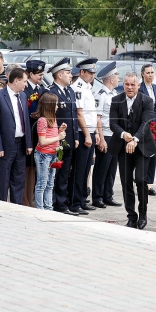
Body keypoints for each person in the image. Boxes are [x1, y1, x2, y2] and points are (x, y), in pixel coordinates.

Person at [109, 72, 156, 229]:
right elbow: (113, 124)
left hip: (142, 145)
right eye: (127, 84)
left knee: (141, 180)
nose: (129, 87)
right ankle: (131, 216)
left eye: (133, 84)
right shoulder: (116, 100)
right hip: (123, 146)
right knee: (126, 181)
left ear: (138, 85)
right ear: (123, 85)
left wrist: (134, 139)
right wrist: (124, 135)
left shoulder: (147, 101)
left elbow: (146, 123)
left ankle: (143, 213)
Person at [0, 67, 32, 204]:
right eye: (25, 81)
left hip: (21, 143)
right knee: (3, 178)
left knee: (19, 178)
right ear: (17, 80)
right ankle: (1, 206)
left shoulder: (23, 96)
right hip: (5, 145)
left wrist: (29, 143)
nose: (26, 85)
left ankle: (16, 207)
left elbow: (26, 120)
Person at [46, 59, 81, 214]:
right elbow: (49, 118)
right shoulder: (51, 92)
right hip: (56, 140)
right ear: (59, 75)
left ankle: (63, 202)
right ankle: (56, 203)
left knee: (65, 173)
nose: (70, 75)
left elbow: (73, 116)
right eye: (67, 73)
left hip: (69, 139)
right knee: (56, 173)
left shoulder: (70, 91)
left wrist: (75, 137)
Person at [68, 58, 99, 212]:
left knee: (86, 169)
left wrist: (95, 133)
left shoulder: (87, 87)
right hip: (82, 133)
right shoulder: (78, 88)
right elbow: (80, 114)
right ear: (82, 72)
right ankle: (74, 203)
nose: (92, 75)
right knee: (79, 170)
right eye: (89, 72)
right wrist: (87, 135)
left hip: (90, 132)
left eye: (93, 72)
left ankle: (81, 200)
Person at [92, 62, 122, 208]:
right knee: (102, 168)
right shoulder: (101, 95)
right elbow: (98, 118)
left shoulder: (114, 94)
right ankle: (97, 197)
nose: (118, 79)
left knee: (111, 168)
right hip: (106, 136)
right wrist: (101, 139)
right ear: (111, 79)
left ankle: (108, 195)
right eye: (117, 77)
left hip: (115, 135)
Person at [33, 93, 67, 210]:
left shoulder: (53, 118)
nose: (57, 106)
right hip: (43, 155)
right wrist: (59, 137)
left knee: (50, 184)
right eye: (56, 104)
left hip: (52, 155)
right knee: (42, 183)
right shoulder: (42, 120)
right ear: (50, 105)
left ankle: (48, 207)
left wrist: (60, 131)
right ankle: (40, 208)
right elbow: (42, 141)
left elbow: (51, 136)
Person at [23, 60, 47, 206]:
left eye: (42, 74)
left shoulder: (41, 89)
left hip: (38, 134)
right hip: (27, 134)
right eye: (38, 74)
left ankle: (31, 198)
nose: (41, 77)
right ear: (30, 74)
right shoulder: (25, 91)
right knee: (26, 168)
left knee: (33, 168)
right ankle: (25, 199)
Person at [139, 64, 156, 196]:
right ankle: (141, 183)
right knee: (143, 156)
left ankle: (149, 183)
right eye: (148, 72)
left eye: (152, 72)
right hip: (143, 125)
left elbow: (155, 105)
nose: (150, 75)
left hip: (154, 125)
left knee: (153, 155)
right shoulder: (140, 88)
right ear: (143, 74)